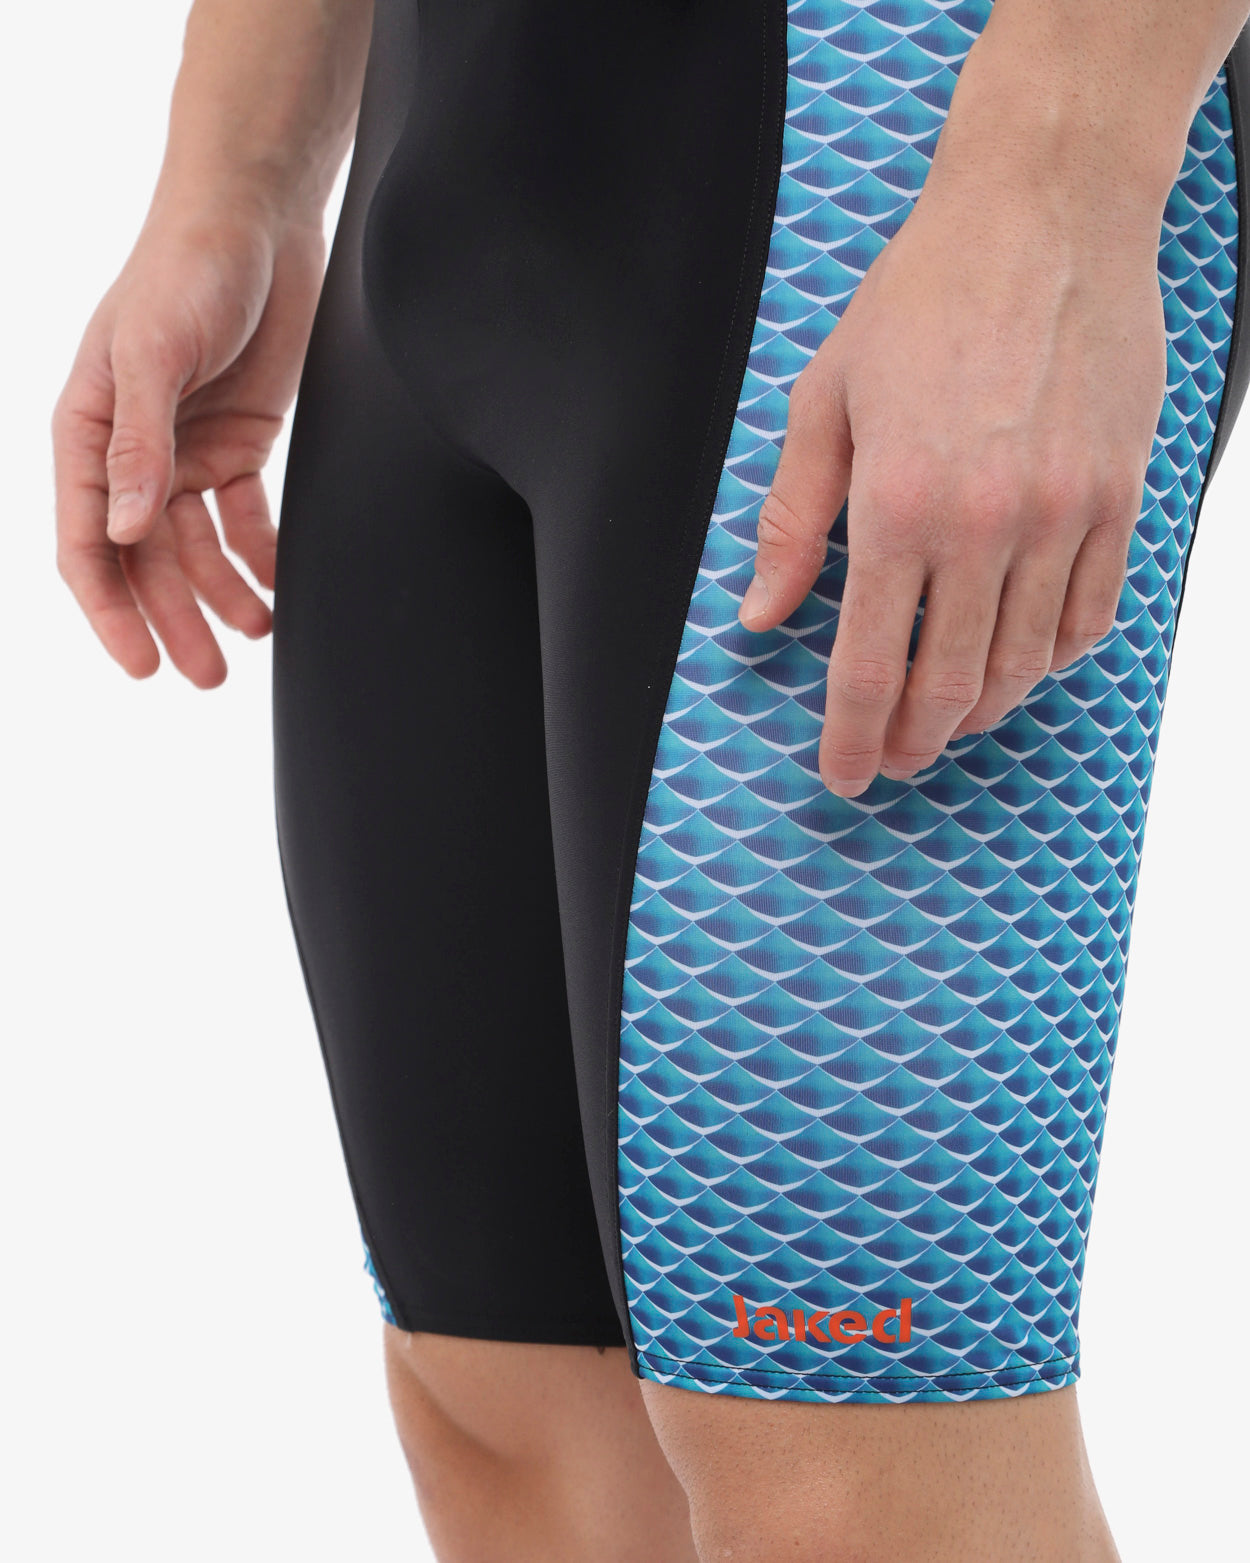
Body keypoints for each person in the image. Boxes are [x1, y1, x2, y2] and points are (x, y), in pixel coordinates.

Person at [51, 1, 1250, 1558]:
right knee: (507, 1402)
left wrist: (1058, 177)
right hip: (451, 138)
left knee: (845, 1468)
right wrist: (240, 174)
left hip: (893, 134)